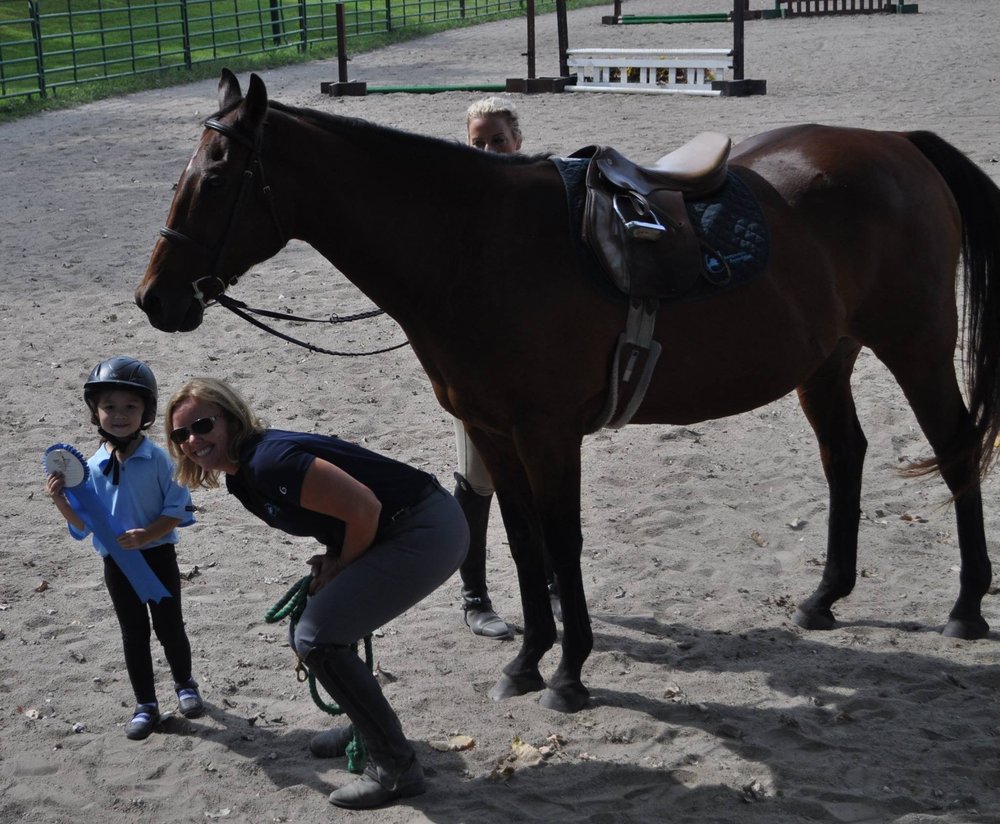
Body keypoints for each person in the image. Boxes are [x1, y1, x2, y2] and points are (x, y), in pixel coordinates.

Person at [165, 377, 468, 810]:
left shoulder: (268, 462)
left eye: (203, 425)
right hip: (398, 526)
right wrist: (334, 557)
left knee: (317, 636)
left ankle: (396, 769)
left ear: (231, 420)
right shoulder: (242, 479)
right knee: (313, 621)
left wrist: (344, 564)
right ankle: (366, 727)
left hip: (426, 528)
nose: (193, 440)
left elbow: (364, 507)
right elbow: (339, 513)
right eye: (181, 435)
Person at [46, 356, 203, 741]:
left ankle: (185, 684)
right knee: (133, 633)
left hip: (158, 556)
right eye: (109, 407)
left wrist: (147, 536)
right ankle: (145, 703)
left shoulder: (161, 459)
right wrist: (61, 501)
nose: (119, 415)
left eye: (130, 407)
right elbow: (84, 525)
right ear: (95, 412)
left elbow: (178, 511)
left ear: (146, 412)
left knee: (170, 627)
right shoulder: (91, 468)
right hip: (117, 562)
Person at [456, 97, 559, 640]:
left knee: (547, 474)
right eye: (479, 143)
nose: (490, 150)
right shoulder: (457, 208)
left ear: (517, 141)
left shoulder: (541, 195)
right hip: (480, 369)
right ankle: (474, 594)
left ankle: (550, 584)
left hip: (538, 364)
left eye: (497, 140)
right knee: (479, 480)